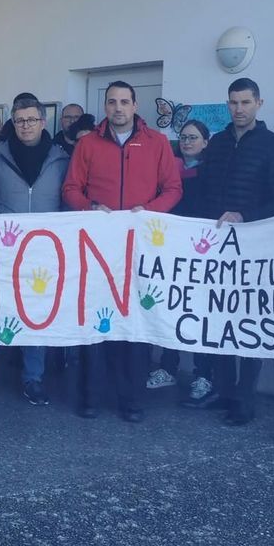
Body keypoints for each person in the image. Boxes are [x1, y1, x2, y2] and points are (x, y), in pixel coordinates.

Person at [62, 80, 181, 422]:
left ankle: (132, 402)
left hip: (141, 248)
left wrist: (150, 211)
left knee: (135, 325)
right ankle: (90, 398)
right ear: (106, 106)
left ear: (135, 104)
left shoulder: (157, 143)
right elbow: (71, 188)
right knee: (96, 325)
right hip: (98, 249)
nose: (117, 108)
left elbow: (173, 188)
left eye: (124, 102)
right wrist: (90, 207)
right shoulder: (88, 145)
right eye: (111, 102)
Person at [179, 79, 274, 426]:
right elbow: (205, 191)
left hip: (255, 246)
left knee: (248, 324)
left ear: (259, 102)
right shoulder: (219, 144)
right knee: (219, 319)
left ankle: (244, 399)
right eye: (233, 103)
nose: (239, 109)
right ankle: (223, 391)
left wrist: (246, 216)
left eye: (245, 102)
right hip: (216, 247)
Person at [0, 98, 70, 406]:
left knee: (35, 315)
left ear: (43, 121)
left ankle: (33, 379)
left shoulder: (60, 159)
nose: (26, 126)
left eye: (31, 120)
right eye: (20, 120)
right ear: (13, 122)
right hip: (2, 251)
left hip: (42, 254)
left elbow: (68, 206)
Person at [150, 120, 215, 401]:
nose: (188, 142)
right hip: (172, 251)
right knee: (171, 308)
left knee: (201, 314)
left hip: (202, 252)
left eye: (194, 137)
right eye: (184, 137)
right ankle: (167, 367)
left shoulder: (212, 171)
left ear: (205, 142)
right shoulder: (169, 168)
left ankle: (204, 374)